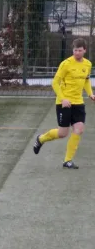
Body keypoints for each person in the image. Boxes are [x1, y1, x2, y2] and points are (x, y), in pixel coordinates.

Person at [33, 37, 95, 169]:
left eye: (79, 50)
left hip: (78, 102)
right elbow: (55, 82)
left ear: (84, 50)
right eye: (75, 50)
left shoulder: (88, 64)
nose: (76, 52)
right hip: (64, 102)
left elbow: (86, 80)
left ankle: (67, 160)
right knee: (62, 133)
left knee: (79, 129)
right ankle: (41, 139)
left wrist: (90, 93)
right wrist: (63, 99)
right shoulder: (66, 64)